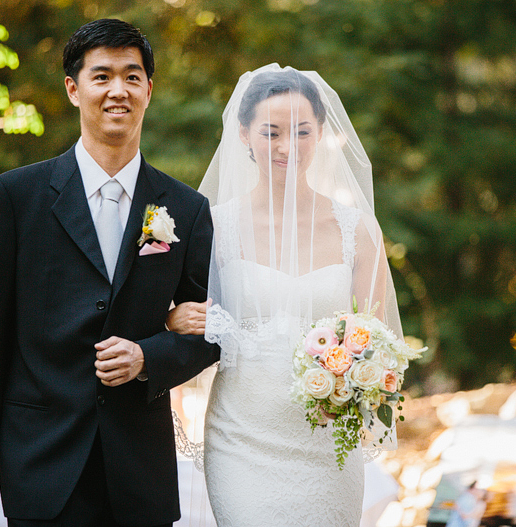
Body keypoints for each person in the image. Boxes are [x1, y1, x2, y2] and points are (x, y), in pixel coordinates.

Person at [0, 19, 220, 527]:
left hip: (140, 473)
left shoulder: (186, 209)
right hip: (40, 461)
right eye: (102, 76)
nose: (117, 90)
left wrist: (148, 355)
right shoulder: (14, 198)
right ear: (74, 89)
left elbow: (213, 330)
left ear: (148, 89)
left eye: (132, 76)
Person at [166, 64, 404, 526]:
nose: (286, 147)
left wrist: (361, 374)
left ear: (320, 134)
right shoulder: (214, 226)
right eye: (271, 132)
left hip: (327, 444)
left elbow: (380, 341)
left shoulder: (357, 231)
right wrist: (175, 320)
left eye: (300, 132)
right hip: (241, 437)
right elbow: (181, 316)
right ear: (243, 134)